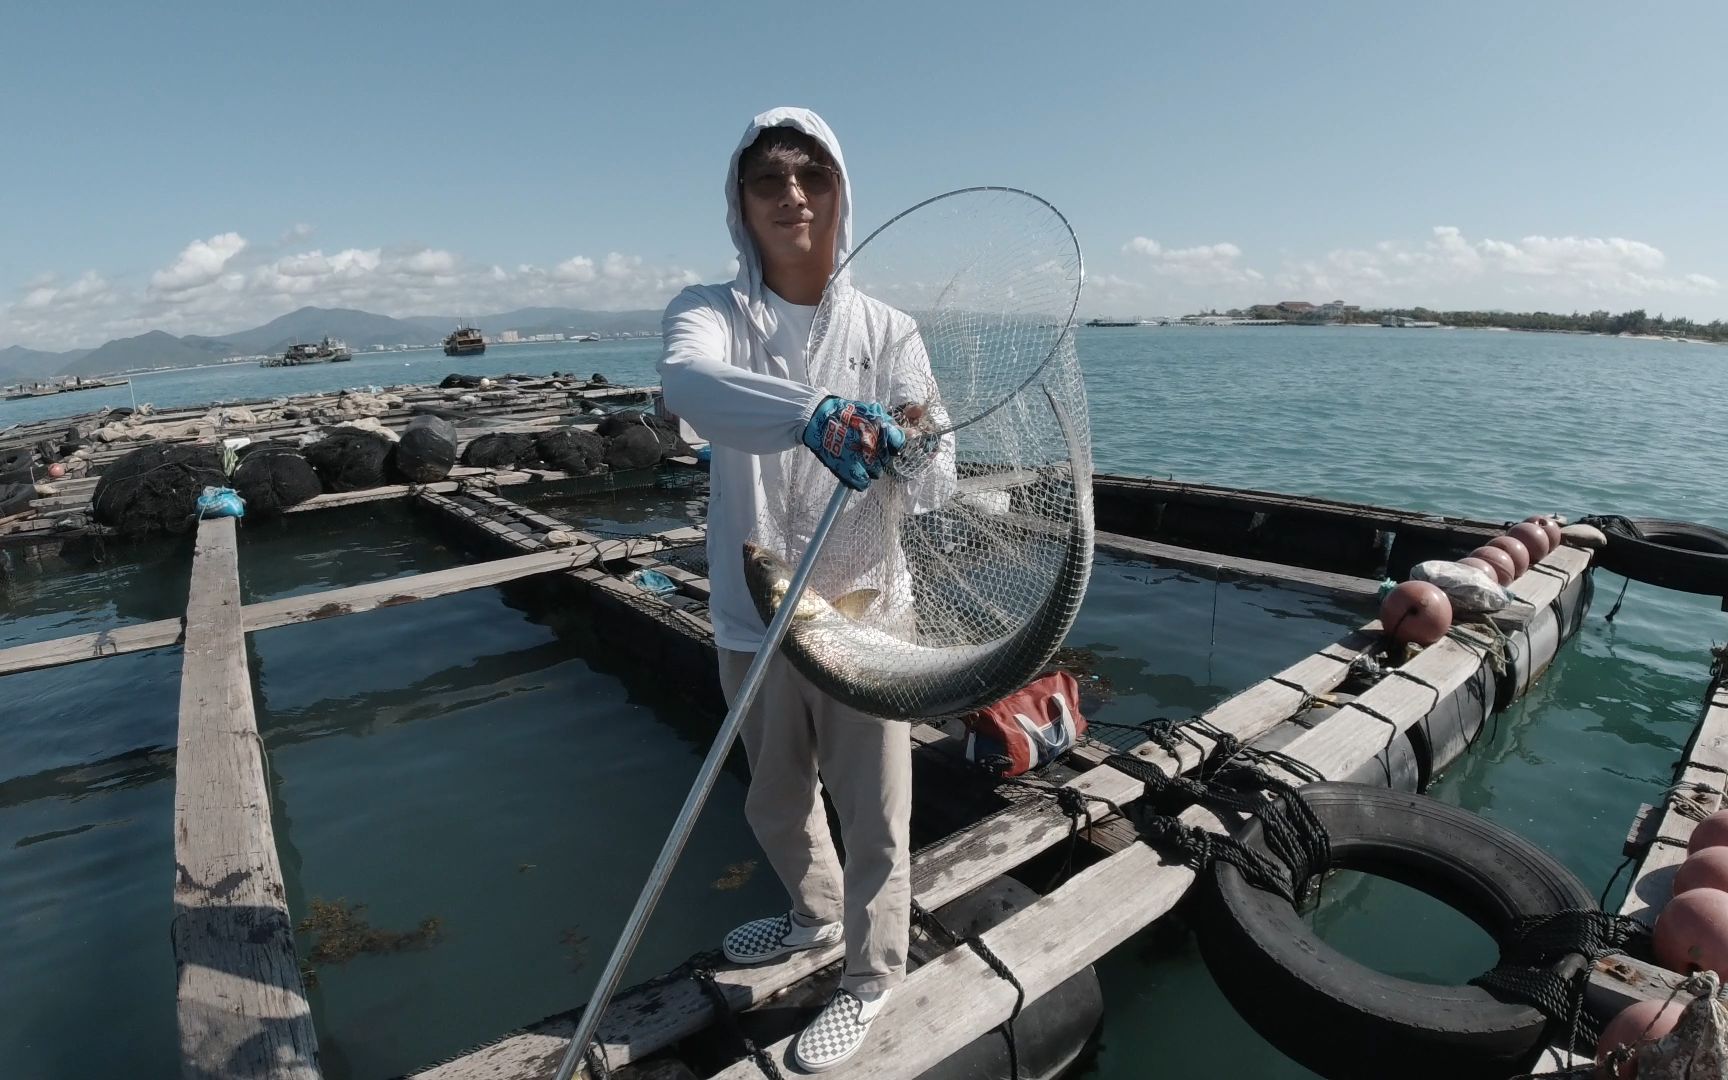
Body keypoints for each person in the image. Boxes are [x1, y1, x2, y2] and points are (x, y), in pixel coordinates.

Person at [659, 106, 949, 1071]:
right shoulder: (709, 313)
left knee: (876, 814)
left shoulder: (888, 328)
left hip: (870, 614)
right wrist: (816, 413)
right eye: (768, 180)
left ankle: (871, 976)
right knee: (777, 801)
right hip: (756, 613)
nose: (792, 196)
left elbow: (941, 479)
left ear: (840, 193)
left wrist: (911, 451)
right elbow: (690, 389)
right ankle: (814, 918)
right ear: (739, 203)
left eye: (812, 176)